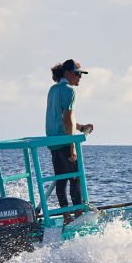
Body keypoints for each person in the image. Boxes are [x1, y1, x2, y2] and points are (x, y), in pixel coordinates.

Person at [45, 59, 94, 222]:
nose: (79, 78)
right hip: (65, 142)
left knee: (61, 179)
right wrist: (73, 146)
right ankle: (79, 214)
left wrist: (80, 128)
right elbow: (67, 119)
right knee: (75, 178)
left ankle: (66, 216)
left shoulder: (53, 90)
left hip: (53, 142)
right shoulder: (69, 91)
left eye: (81, 75)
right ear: (67, 73)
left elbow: (61, 119)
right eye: (77, 74)